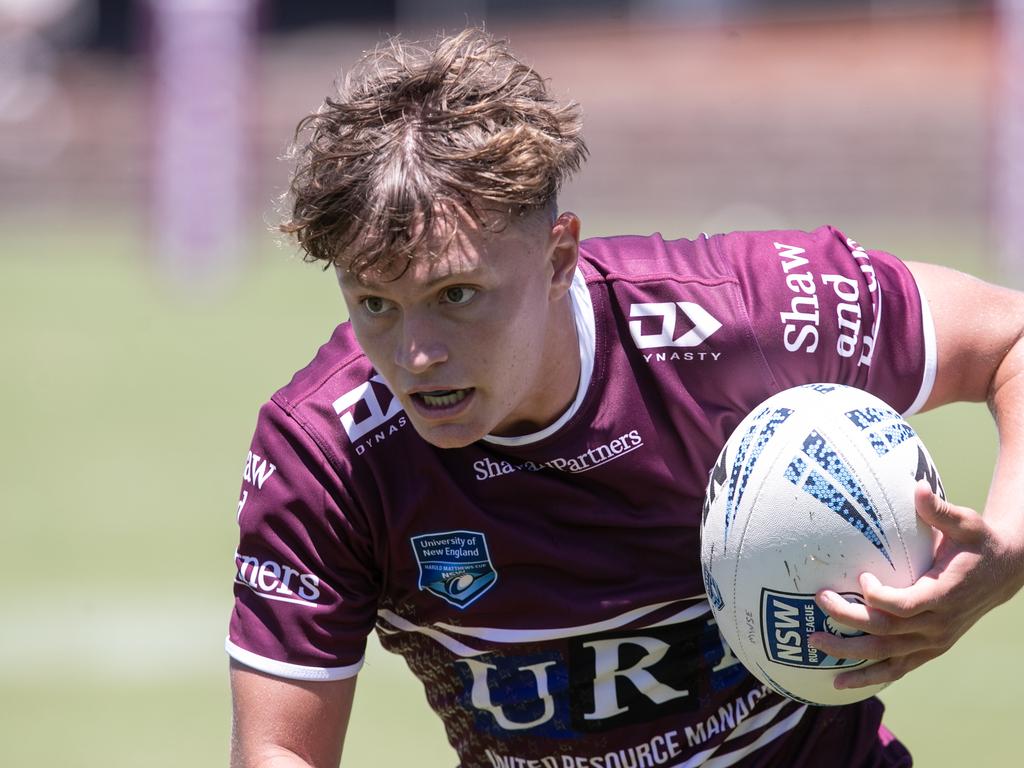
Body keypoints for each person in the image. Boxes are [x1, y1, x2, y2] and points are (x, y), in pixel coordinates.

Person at [227, 28, 1024, 768]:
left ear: (559, 255)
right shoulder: (324, 457)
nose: (417, 354)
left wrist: (1006, 556)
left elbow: (1011, 338)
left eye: (458, 294)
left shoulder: (741, 317)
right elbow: (280, 753)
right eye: (374, 304)